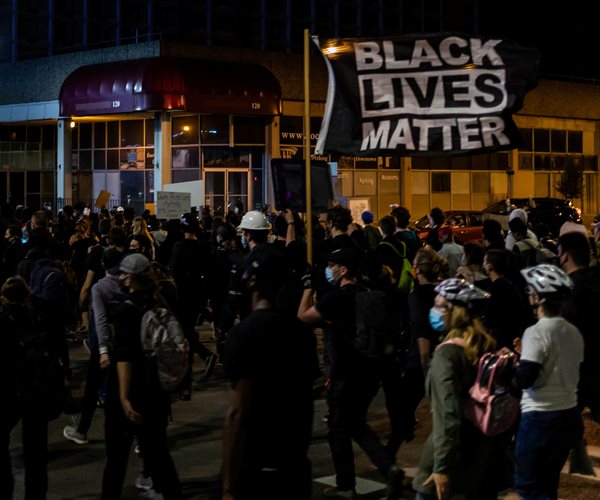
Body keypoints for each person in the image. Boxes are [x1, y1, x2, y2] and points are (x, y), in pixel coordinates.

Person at [298, 247, 404, 500]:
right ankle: (388, 467)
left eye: (332, 265)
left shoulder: (336, 298)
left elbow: (302, 316)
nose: (328, 270)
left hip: (346, 372)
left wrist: (308, 287)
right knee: (355, 422)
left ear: (343, 270)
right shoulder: (367, 294)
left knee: (338, 427)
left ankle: (346, 486)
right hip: (370, 370)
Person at [222, 248, 319, 500]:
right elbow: (306, 403)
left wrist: (228, 486)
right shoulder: (302, 334)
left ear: (252, 279)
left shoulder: (242, 335)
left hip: (256, 467)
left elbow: (237, 412)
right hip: (294, 465)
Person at [412, 278, 510, 500]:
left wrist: (441, 466)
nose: (434, 311)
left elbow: (447, 413)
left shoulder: (447, 354)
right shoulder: (486, 344)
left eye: (439, 306)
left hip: (455, 454)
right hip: (484, 452)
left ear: (455, 313)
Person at [101, 253, 183, 499]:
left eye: (123, 274)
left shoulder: (126, 311)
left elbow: (124, 357)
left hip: (130, 390)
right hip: (154, 389)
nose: (120, 278)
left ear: (130, 278)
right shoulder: (160, 304)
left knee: (116, 458)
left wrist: (124, 397)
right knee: (158, 452)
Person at [514, 264, 584, 500]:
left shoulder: (536, 331)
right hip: (569, 415)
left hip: (541, 417)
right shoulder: (574, 332)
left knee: (529, 488)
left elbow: (525, 379)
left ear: (538, 296)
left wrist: (511, 368)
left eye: (531, 290)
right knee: (548, 483)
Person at [1, 276, 51, 500]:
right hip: (36, 388)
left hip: (9, 389)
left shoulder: (3, 321)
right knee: (36, 451)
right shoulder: (38, 317)